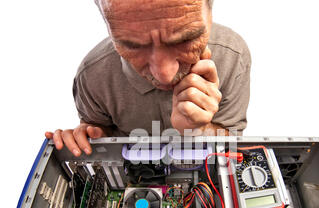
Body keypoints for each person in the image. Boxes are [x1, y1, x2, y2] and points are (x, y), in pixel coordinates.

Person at [45, 0, 251, 157]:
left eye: (185, 39)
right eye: (133, 45)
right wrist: (87, 138)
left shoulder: (233, 57)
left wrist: (198, 130)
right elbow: (97, 129)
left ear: (210, 11)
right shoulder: (92, 76)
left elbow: (231, 145)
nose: (164, 75)